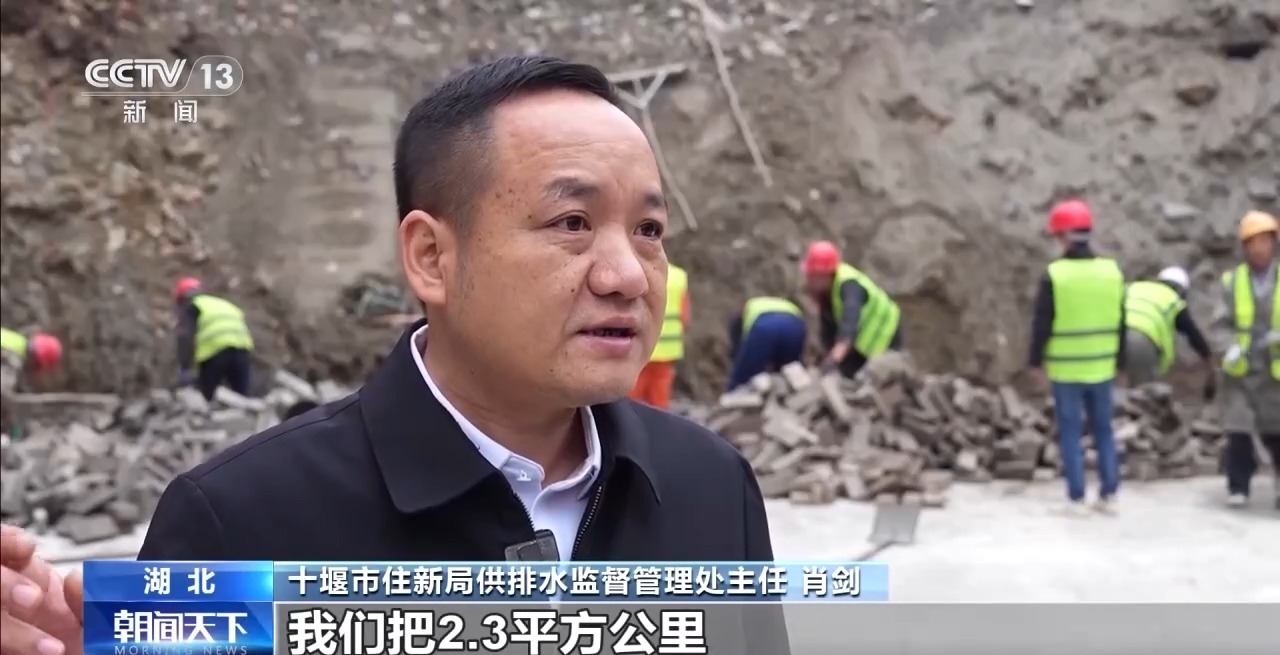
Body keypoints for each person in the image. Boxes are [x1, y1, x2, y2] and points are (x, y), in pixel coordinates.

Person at [2, 54, 788, 655]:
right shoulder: (242, 522)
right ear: (431, 257)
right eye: (572, 223)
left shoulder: (712, 487)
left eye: (648, 230)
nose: (627, 275)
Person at [1027, 200, 1126, 516]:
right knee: (1104, 431)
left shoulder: (1056, 275)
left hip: (1067, 369)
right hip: (1102, 366)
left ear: (1062, 237)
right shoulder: (1111, 272)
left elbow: (1042, 323)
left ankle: (1077, 498)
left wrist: (1034, 362)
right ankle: (1109, 495)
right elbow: (1122, 321)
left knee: (1070, 434)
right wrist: (1121, 362)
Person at [1215, 210, 1280, 510]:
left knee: (1276, 432)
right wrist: (1227, 346)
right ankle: (1238, 486)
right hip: (1241, 370)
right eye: (1253, 243)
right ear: (1244, 247)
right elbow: (1220, 323)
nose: (1259, 249)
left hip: (1275, 372)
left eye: (1265, 241)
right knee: (1238, 429)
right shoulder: (1232, 282)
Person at [802, 240, 902, 378]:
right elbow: (829, 328)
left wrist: (834, 359)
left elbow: (849, 324)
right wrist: (826, 355)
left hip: (885, 332)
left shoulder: (849, 286)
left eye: (811, 275)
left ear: (824, 274)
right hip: (862, 340)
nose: (808, 280)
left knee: (879, 379)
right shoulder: (827, 291)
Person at [1122, 266, 1215, 391]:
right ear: (1181, 291)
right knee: (1144, 392)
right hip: (1140, 341)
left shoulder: (1134, 286)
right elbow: (1193, 335)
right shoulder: (1172, 300)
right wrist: (1209, 362)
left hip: (1110, 337)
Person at [173, 277, 255, 401]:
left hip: (215, 351)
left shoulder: (192, 306)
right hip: (242, 350)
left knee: (207, 396)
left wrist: (185, 367)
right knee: (241, 398)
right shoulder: (225, 304)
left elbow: (185, 337)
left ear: (182, 299)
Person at [629, 261, 688, 408]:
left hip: (641, 345)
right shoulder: (679, 276)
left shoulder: (637, 271)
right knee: (660, 394)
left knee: (633, 395)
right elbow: (685, 315)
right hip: (668, 348)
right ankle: (658, 421)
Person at [725, 296, 807, 391]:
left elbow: (740, 352)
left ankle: (732, 395)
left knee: (740, 380)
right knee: (790, 370)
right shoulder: (764, 304)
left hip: (765, 326)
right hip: (796, 327)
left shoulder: (739, 320)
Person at [1, 328, 62, 396]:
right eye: (37, 366)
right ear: (35, 358)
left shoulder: (17, 341)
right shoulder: (14, 358)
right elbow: (4, 393)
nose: (34, 370)